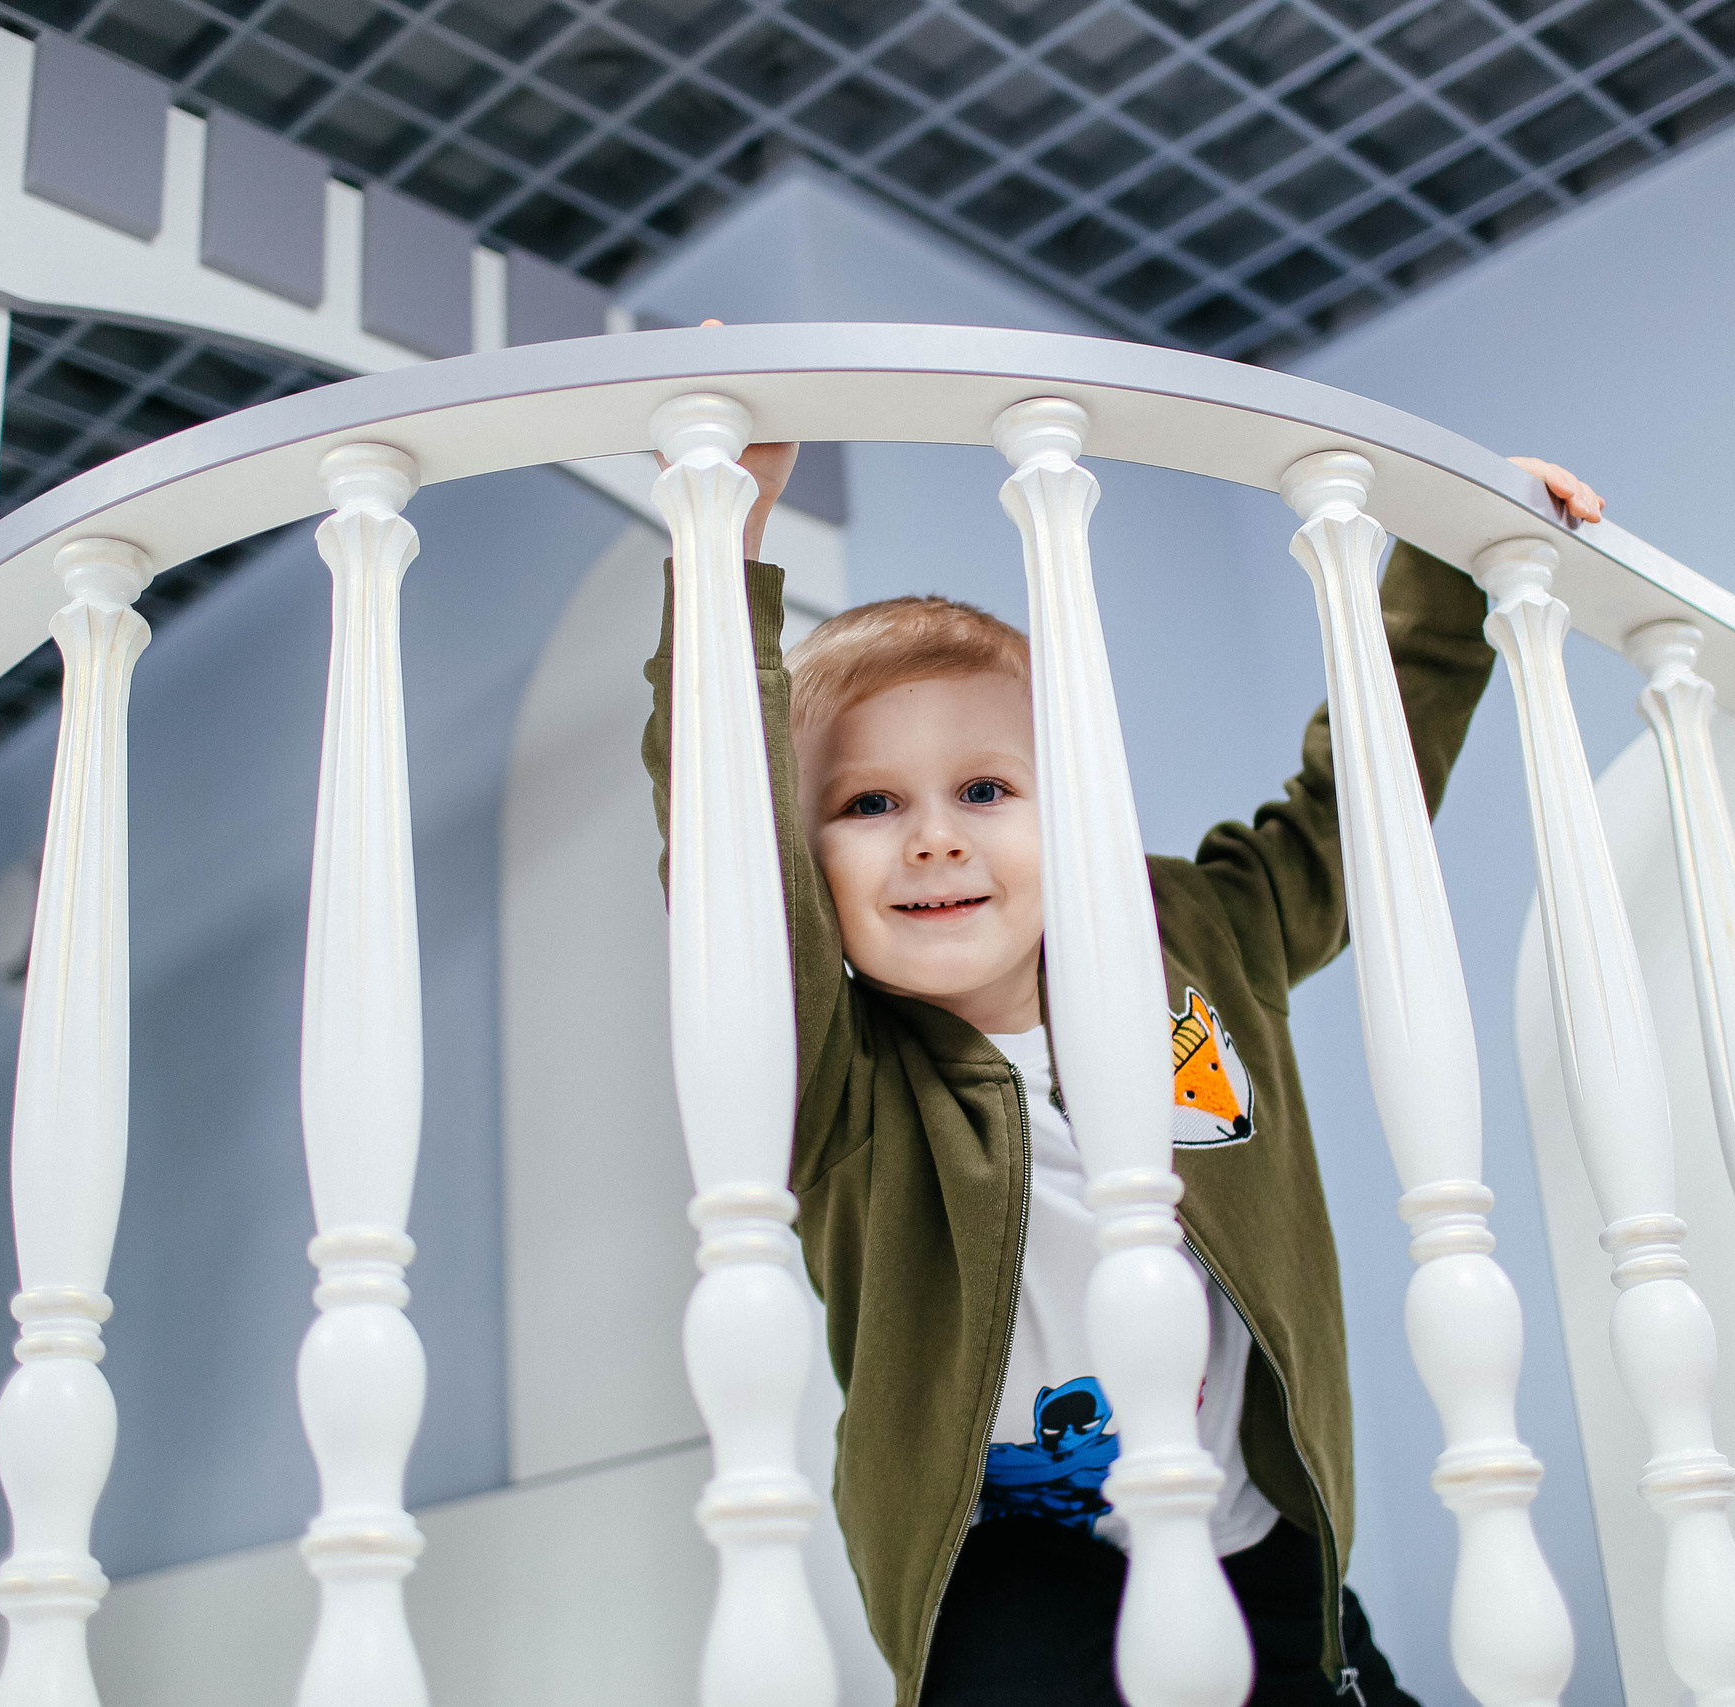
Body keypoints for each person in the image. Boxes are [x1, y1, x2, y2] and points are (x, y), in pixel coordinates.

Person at [643, 412, 1604, 1707]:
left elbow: (1355, 807)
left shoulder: (1197, 933)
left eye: (985, 789)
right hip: (1005, 1561)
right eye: (870, 805)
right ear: (810, 864)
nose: (933, 840)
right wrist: (723, 545)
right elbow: (726, 852)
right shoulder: (841, 1076)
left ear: (1077, 799)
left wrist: (1450, 560)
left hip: (1246, 1527)